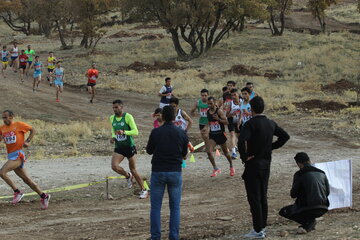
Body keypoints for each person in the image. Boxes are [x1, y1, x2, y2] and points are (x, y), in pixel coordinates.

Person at [238, 96, 290, 239]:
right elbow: (285, 137)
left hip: (253, 165)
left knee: (254, 198)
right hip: (266, 164)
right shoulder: (270, 123)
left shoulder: (250, 124)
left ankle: (257, 229)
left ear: (251, 109)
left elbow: (241, 140)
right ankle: (263, 226)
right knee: (263, 196)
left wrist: (244, 157)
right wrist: (270, 148)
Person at [146, 105, 189, 240]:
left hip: (158, 171)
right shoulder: (181, 132)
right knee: (175, 208)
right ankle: (174, 236)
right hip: (175, 171)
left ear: (163, 116)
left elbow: (149, 151)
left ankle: (155, 237)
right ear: (175, 117)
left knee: (155, 208)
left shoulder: (156, 132)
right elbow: (184, 154)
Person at [0, 110, 50, 210]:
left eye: (6, 117)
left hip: (18, 155)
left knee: (2, 172)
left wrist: (27, 141)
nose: (4, 119)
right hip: (11, 155)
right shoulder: (2, 128)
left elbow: (33, 130)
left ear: (12, 116)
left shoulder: (19, 125)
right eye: (3, 118)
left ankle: (17, 192)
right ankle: (44, 196)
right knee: (27, 180)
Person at [279, 152, 330, 234]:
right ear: (309, 160)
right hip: (323, 207)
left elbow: (293, 194)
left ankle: (308, 223)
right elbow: (327, 192)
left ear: (299, 163)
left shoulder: (299, 174)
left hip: (307, 208)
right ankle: (309, 222)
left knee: (284, 211)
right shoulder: (321, 172)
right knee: (306, 210)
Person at [110, 99, 148, 199]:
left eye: (116, 107)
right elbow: (113, 130)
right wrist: (113, 137)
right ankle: (128, 176)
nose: (114, 109)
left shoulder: (127, 117)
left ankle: (144, 190)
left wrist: (125, 132)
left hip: (129, 147)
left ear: (121, 107)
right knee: (114, 166)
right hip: (119, 147)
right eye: (113, 107)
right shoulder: (111, 118)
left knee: (134, 169)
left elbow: (136, 131)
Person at [206, 97, 235, 177]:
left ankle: (231, 166)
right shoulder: (208, 112)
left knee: (226, 153)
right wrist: (207, 129)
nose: (209, 105)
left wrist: (218, 119)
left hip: (221, 134)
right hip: (212, 135)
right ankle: (215, 168)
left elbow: (226, 122)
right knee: (209, 152)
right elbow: (209, 123)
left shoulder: (219, 111)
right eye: (208, 104)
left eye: (211, 103)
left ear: (214, 102)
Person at [224, 81, 237, 159]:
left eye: (231, 86)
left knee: (238, 135)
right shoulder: (225, 95)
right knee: (232, 134)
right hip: (230, 117)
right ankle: (234, 152)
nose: (229, 87)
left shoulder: (238, 95)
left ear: (234, 86)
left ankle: (235, 146)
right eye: (228, 86)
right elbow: (223, 104)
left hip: (238, 117)